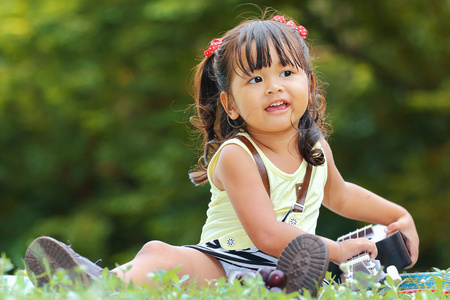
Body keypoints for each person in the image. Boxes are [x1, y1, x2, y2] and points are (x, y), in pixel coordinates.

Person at [24, 13, 419, 295]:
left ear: (310, 85)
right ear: (230, 104)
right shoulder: (237, 154)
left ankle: (284, 284)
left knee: (294, 263)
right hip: (227, 261)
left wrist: (397, 217)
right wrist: (336, 250)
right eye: (256, 79)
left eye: (286, 73)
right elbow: (264, 233)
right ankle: (94, 285)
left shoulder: (316, 147)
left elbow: (341, 195)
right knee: (160, 256)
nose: (273, 87)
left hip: (291, 262)